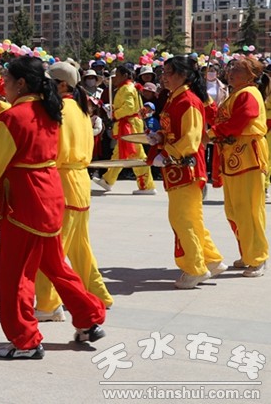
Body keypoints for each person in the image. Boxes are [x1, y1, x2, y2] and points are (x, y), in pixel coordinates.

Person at [0, 56, 106, 359]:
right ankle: (89, 317)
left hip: (25, 200)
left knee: (16, 275)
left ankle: (26, 339)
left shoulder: (13, 118)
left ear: (21, 83)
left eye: (7, 81)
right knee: (56, 266)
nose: (4, 86)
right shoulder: (51, 110)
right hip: (51, 194)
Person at [34, 62, 114, 322]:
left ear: (61, 85)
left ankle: (48, 304)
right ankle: (98, 293)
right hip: (80, 182)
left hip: (62, 183)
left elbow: (51, 151)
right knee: (81, 248)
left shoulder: (59, 110)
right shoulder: (80, 110)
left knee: (52, 252)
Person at [149, 55, 226, 289]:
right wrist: (159, 136)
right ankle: (211, 259)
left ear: (183, 75)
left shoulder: (188, 101)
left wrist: (167, 155)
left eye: (168, 73)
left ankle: (195, 268)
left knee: (182, 218)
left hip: (185, 167)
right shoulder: (174, 98)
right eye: (163, 73)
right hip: (178, 167)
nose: (164, 77)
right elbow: (174, 129)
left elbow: (191, 140)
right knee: (191, 217)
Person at [206, 57, 268, 278]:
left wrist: (213, 133)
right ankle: (248, 253)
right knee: (234, 210)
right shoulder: (235, 94)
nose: (231, 72)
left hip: (247, 157)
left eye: (238, 70)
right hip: (234, 157)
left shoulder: (249, 93)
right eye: (231, 68)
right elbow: (221, 119)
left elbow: (242, 119)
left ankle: (258, 257)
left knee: (249, 210)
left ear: (251, 75)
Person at [93, 63, 156, 195]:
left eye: (117, 75)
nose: (115, 78)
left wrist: (115, 113)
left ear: (124, 75)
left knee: (136, 155)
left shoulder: (126, 88)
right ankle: (108, 180)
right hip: (130, 124)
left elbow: (129, 107)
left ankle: (146, 185)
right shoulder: (130, 87)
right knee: (120, 153)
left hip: (129, 126)